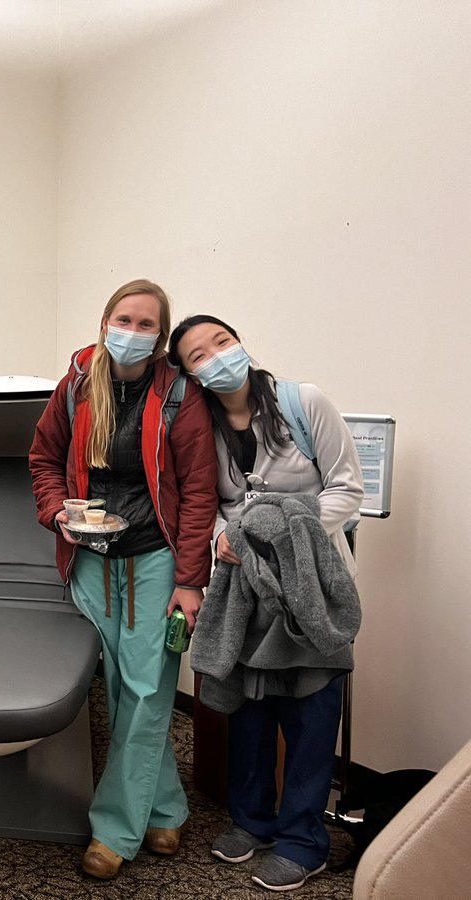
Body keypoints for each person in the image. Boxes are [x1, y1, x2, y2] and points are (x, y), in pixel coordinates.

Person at [29, 279, 218, 880]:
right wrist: (57, 510)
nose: (131, 333)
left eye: (145, 325)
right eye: (124, 319)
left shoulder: (180, 395)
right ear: (104, 320)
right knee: (123, 690)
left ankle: (114, 828)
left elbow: (198, 494)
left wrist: (190, 583)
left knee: (146, 690)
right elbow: (43, 459)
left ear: (160, 337)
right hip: (90, 559)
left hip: (155, 560)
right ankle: (166, 807)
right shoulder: (79, 383)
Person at [168, 315, 363, 892]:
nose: (216, 357)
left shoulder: (305, 404)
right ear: (190, 374)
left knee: (310, 713)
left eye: (222, 342)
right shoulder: (199, 425)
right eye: (199, 355)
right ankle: (252, 821)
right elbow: (212, 504)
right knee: (247, 708)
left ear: (241, 343)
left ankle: (305, 842)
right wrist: (225, 538)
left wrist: (276, 529)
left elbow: (347, 491)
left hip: (314, 590)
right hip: (245, 591)